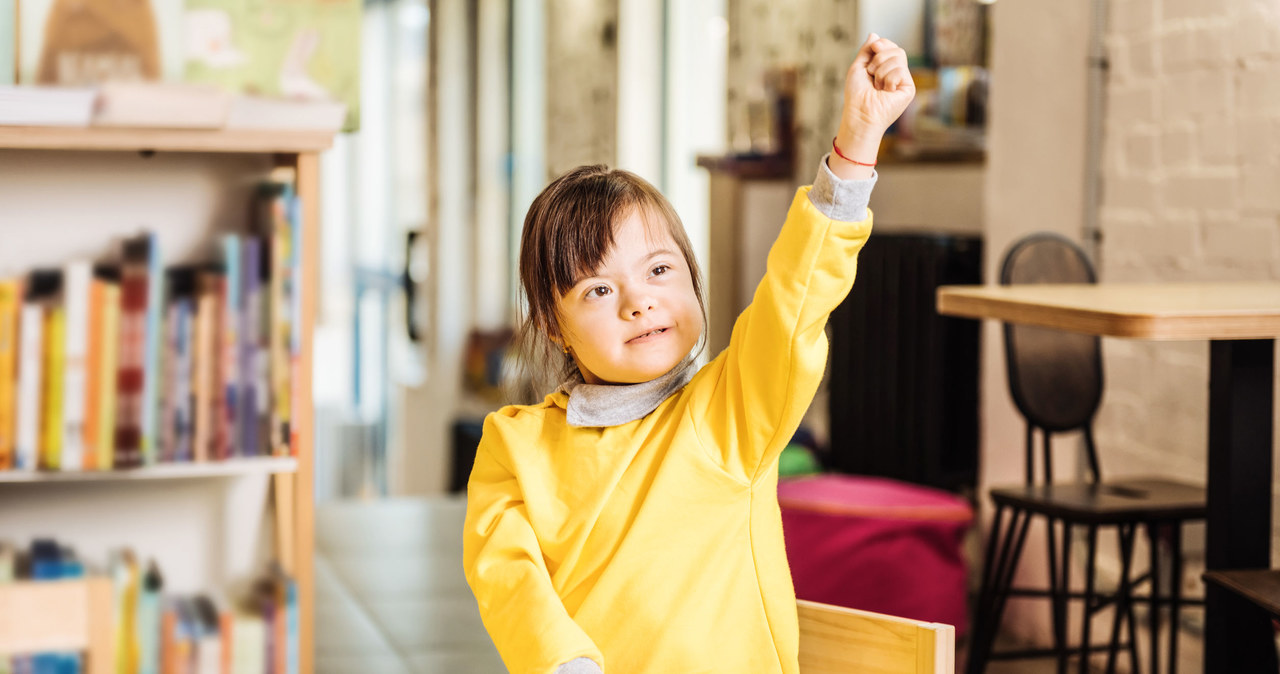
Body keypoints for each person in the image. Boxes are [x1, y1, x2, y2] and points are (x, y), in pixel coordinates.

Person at [464, 32, 915, 674]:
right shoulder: (513, 445)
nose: (638, 302)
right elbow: (506, 576)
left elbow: (797, 298)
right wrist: (564, 662)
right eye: (598, 288)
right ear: (554, 326)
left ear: (692, 277)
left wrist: (858, 140)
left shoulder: (730, 410)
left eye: (658, 269)